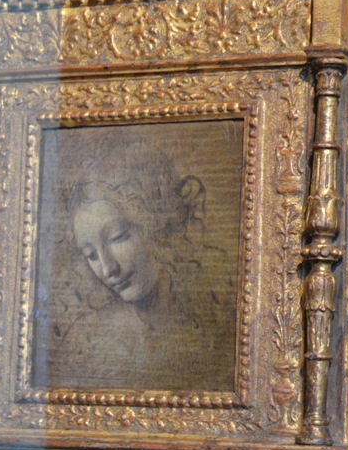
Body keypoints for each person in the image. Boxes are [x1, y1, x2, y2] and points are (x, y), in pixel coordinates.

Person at [39, 133, 236, 392]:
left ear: (156, 224)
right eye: (91, 255)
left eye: (117, 237)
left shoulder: (223, 323)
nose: (108, 269)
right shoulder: (84, 342)